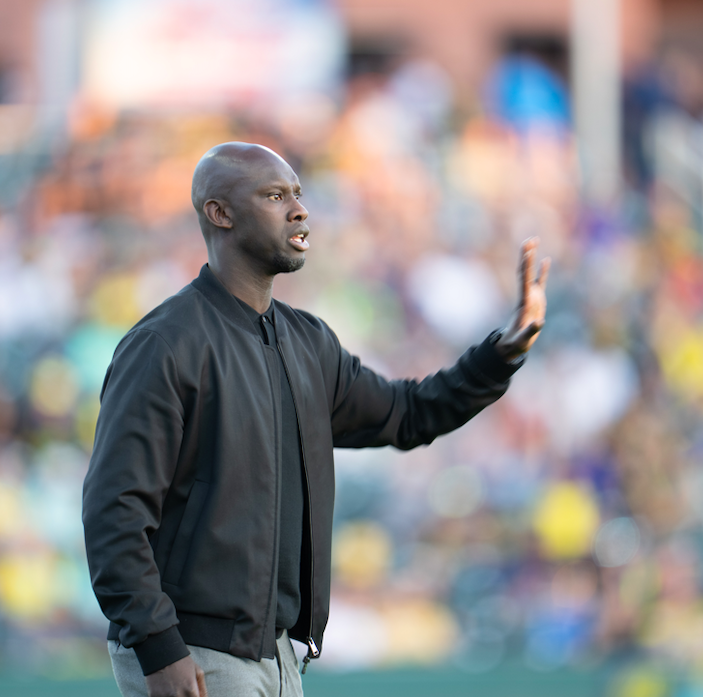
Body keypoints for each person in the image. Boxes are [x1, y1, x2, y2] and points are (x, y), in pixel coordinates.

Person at [82, 142, 550, 697]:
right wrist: (160, 649)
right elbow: (114, 512)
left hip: (279, 655)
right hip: (196, 653)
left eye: (298, 195)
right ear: (220, 213)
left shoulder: (308, 342)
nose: (299, 209)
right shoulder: (164, 344)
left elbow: (408, 413)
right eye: (275, 196)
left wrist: (503, 353)